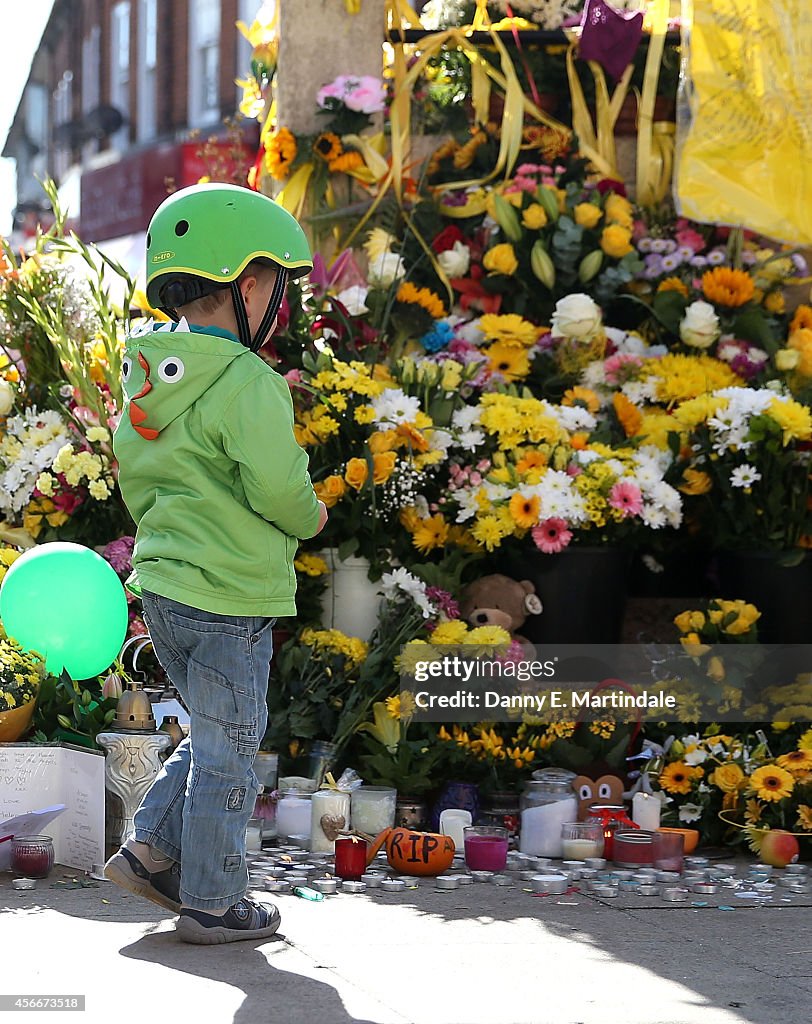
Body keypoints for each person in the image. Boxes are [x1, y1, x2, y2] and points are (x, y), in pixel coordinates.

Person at [104, 183, 327, 945]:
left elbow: (137, 478)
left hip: (165, 589)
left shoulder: (147, 379)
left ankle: (150, 851)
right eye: (280, 288)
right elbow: (275, 485)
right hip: (232, 597)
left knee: (211, 734)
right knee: (230, 754)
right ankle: (214, 901)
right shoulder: (246, 382)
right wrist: (312, 516)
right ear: (251, 283)